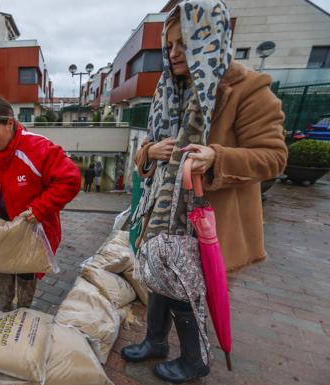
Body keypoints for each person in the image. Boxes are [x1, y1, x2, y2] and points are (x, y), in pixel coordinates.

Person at [122, 1, 287, 383]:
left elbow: (274, 157)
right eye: (171, 43)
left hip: (205, 216)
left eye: (186, 43)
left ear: (209, 40)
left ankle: (196, 361)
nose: (175, 53)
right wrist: (151, 152)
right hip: (162, 212)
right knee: (159, 275)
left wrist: (217, 157)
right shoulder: (169, 88)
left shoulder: (247, 89)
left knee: (186, 289)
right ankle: (155, 341)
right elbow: (144, 156)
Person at [0, 96, 81, 311]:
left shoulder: (37, 147)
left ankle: (24, 312)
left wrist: (40, 208)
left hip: (29, 229)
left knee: (26, 273)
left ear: (10, 123)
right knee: (2, 268)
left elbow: (70, 179)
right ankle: (5, 308)